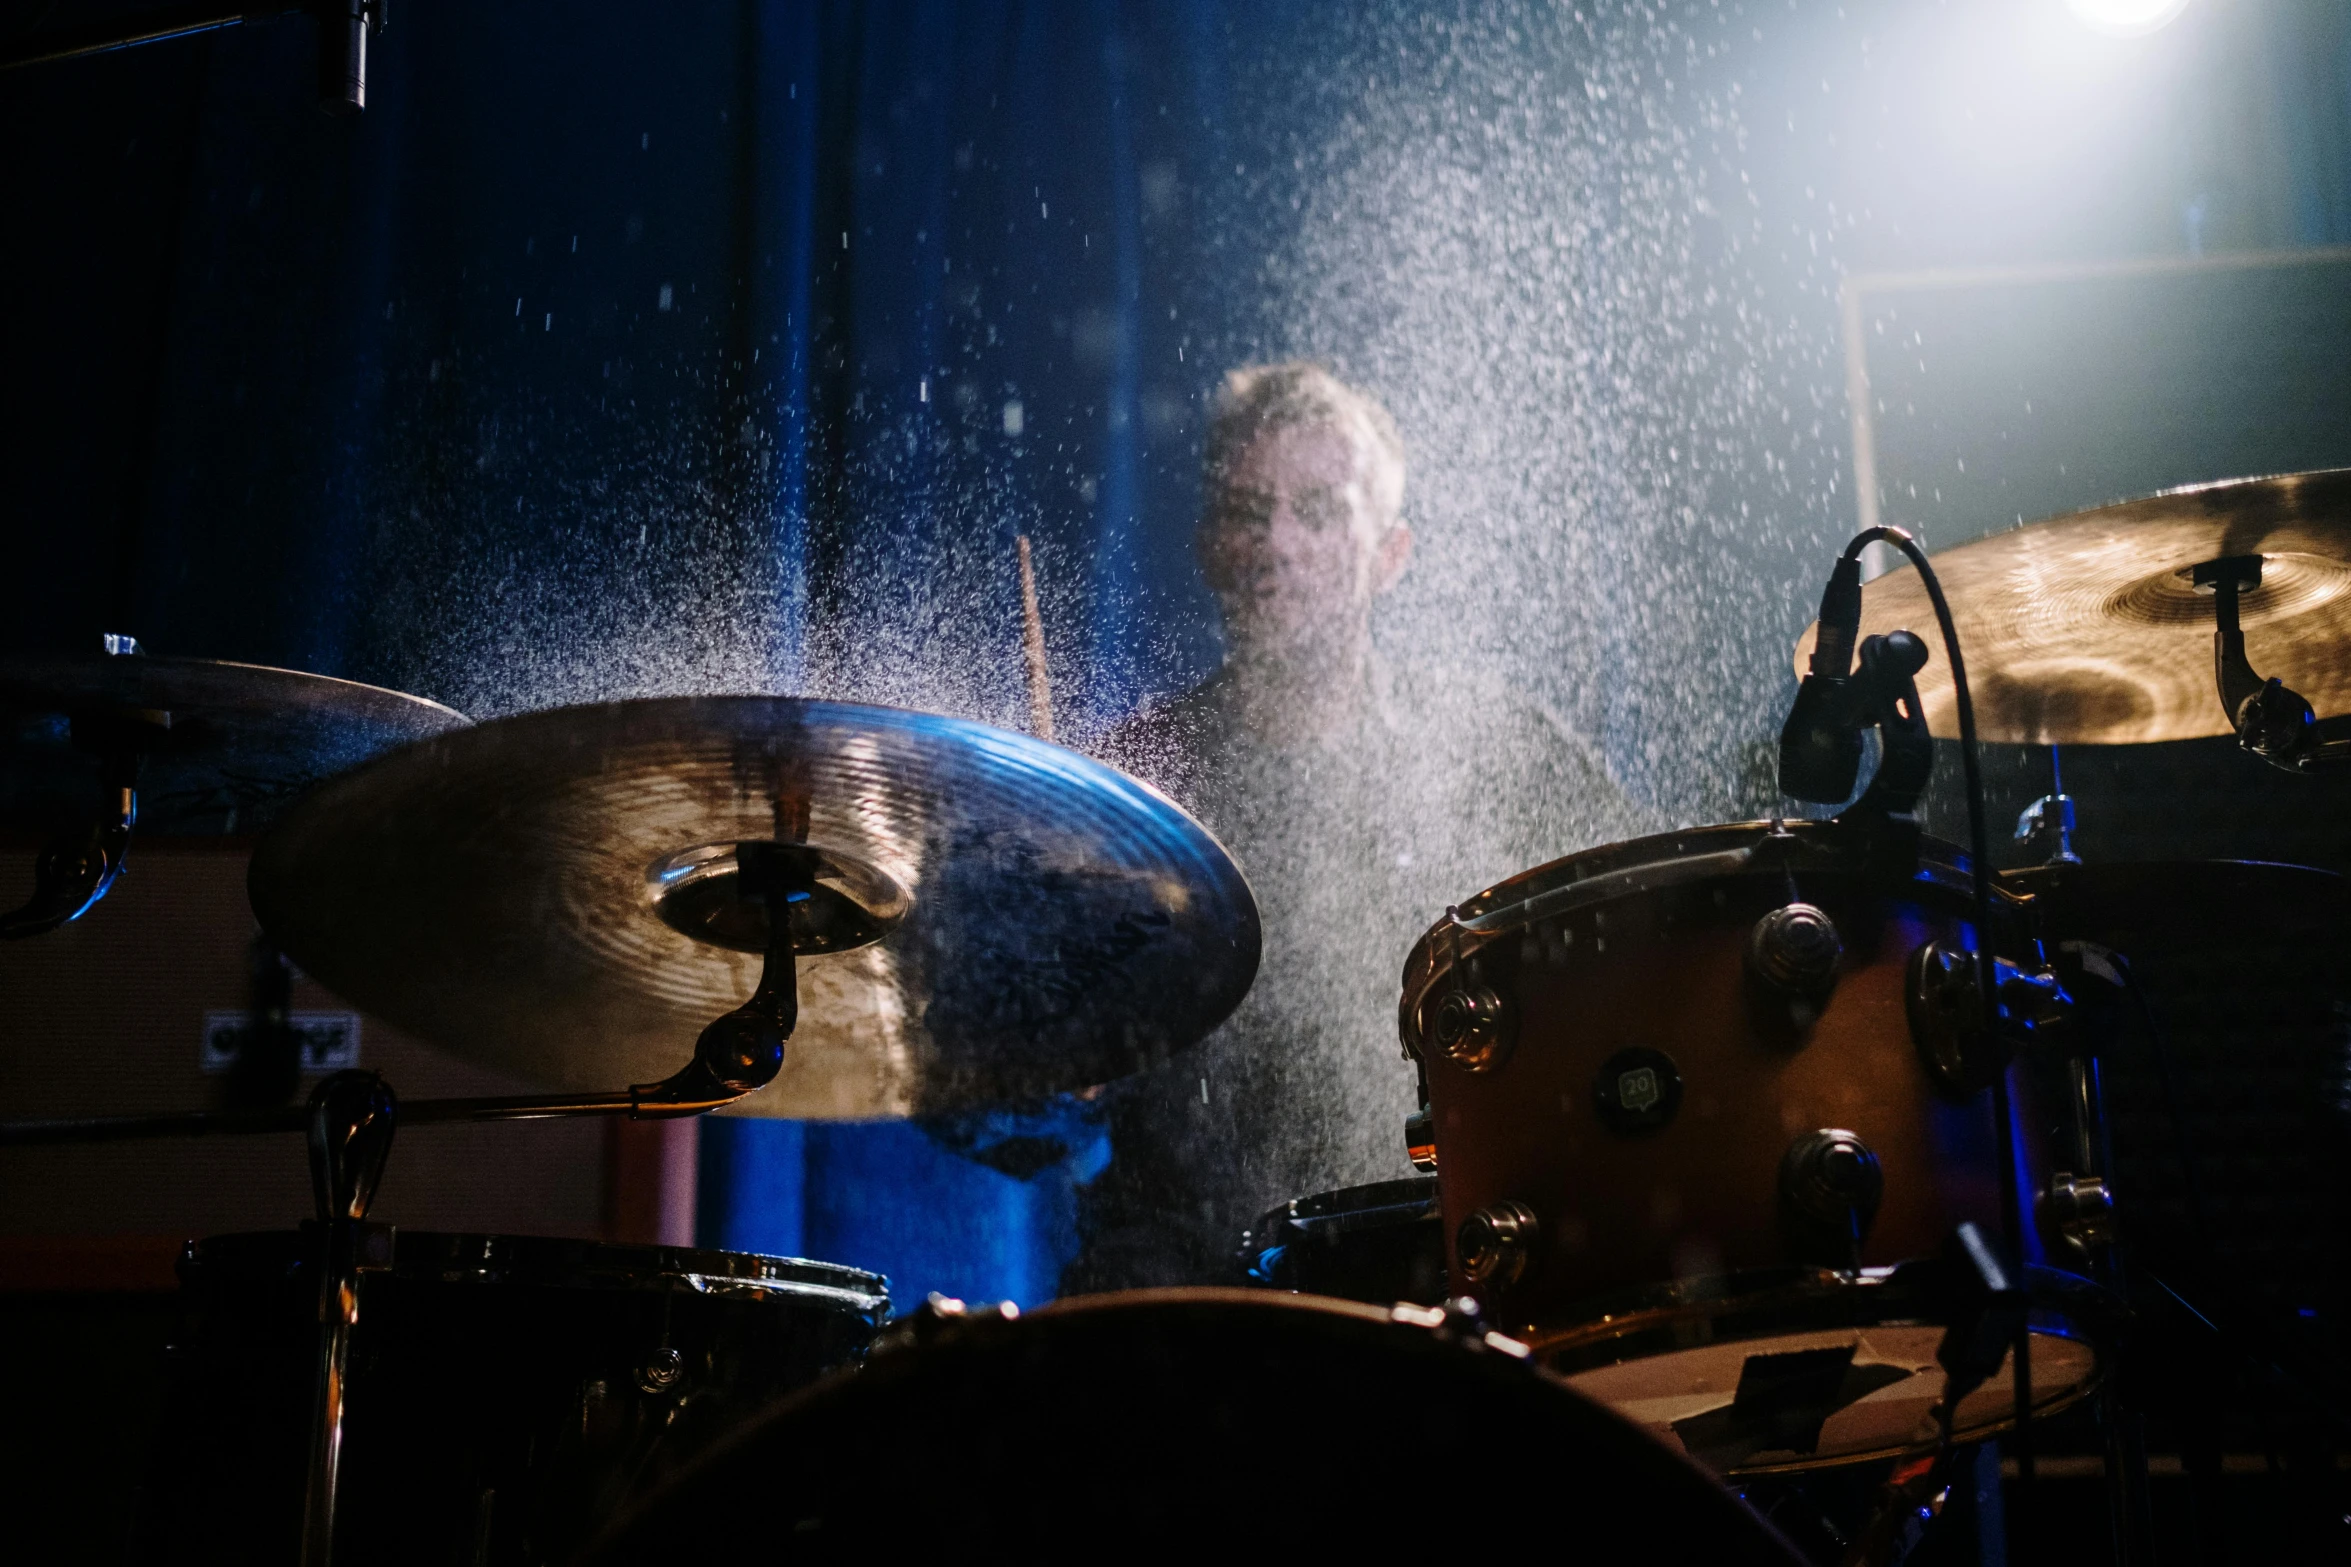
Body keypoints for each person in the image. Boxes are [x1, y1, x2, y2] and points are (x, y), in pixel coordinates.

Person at [1066, 362, 1654, 1291]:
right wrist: (1045, 1066)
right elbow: (990, 1096)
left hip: (1455, 1261)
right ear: (1205, 543)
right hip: (1181, 1287)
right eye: (1245, 510)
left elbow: (1643, 936)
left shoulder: (1492, 747)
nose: (1276, 544)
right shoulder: (1125, 782)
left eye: (1319, 509)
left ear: (1391, 554)